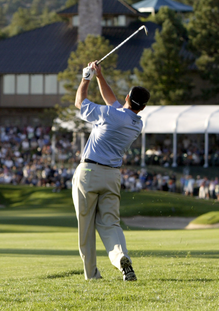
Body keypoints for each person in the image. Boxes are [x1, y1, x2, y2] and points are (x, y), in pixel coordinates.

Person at [71, 60, 150, 281]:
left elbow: (79, 102)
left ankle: (92, 275)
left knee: (86, 227)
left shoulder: (110, 114)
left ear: (127, 98)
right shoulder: (135, 123)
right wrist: (99, 76)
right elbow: (112, 101)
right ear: (142, 107)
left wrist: (85, 77)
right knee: (110, 223)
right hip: (112, 176)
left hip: (88, 173)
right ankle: (121, 258)